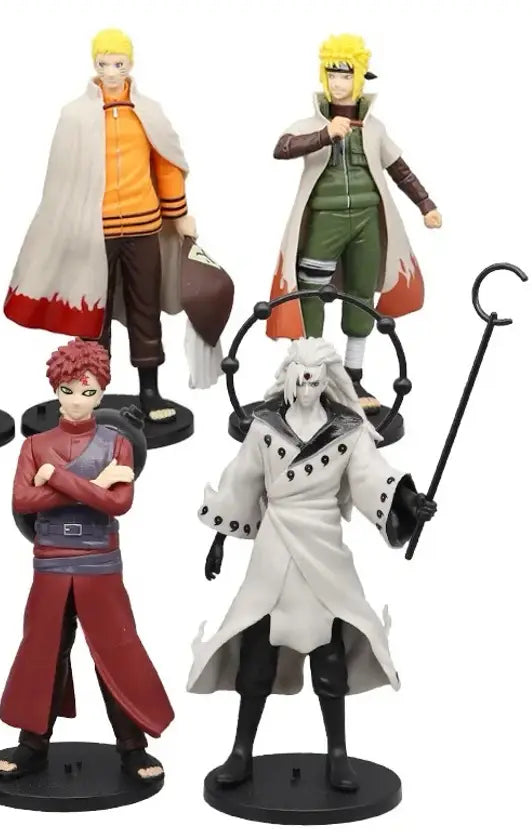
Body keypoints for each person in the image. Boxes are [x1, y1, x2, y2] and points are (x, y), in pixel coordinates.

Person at [187, 338, 436, 792]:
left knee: (329, 656)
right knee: (257, 652)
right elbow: (242, 480)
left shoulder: (348, 430)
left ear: (327, 381)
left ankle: (338, 754)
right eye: (300, 377)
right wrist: (219, 539)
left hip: (324, 547)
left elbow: (371, 475)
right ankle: (241, 751)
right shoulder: (265, 427)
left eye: (314, 379)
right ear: (289, 377)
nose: (306, 386)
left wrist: (407, 501)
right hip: (275, 545)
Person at [5, 28, 208, 423]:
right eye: (103, 63)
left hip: (143, 226)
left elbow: (166, 164)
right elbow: (62, 177)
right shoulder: (76, 115)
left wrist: (179, 212)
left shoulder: (147, 112)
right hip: (93, 231)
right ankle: (91, 388)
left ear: (131, 63)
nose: (111, 71)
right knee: (90, 313)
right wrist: (66, 224)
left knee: (145, 309)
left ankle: (149, 390)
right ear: (94, 64)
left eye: (119, 63)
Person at [0, 338, 172, 783]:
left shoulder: (118, 443)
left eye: (88, 391)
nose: (77, 400)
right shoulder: (36, 445)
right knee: (43, 653)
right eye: (68, 390)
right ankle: (32, 744)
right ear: (56, 390)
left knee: (115, 653)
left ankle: (132, 745)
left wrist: (55, 478)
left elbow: (119, 504)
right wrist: (94, 484)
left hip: (100, 564)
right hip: (51, 563)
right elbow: (22, 500)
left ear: (101, 393)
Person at [266, 34, 441, 412]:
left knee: (362, 296)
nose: (338, 83)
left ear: (359, 77)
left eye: (346, 75)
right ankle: (309, 372)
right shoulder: (309, 123)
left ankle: (353, 379)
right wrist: (323, 134)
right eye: (332, 74)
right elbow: (281, 148)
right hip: (324, 221)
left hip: (366, 222)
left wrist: (425, 204)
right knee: (310, 291)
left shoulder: (374, 129)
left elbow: (399, 169)